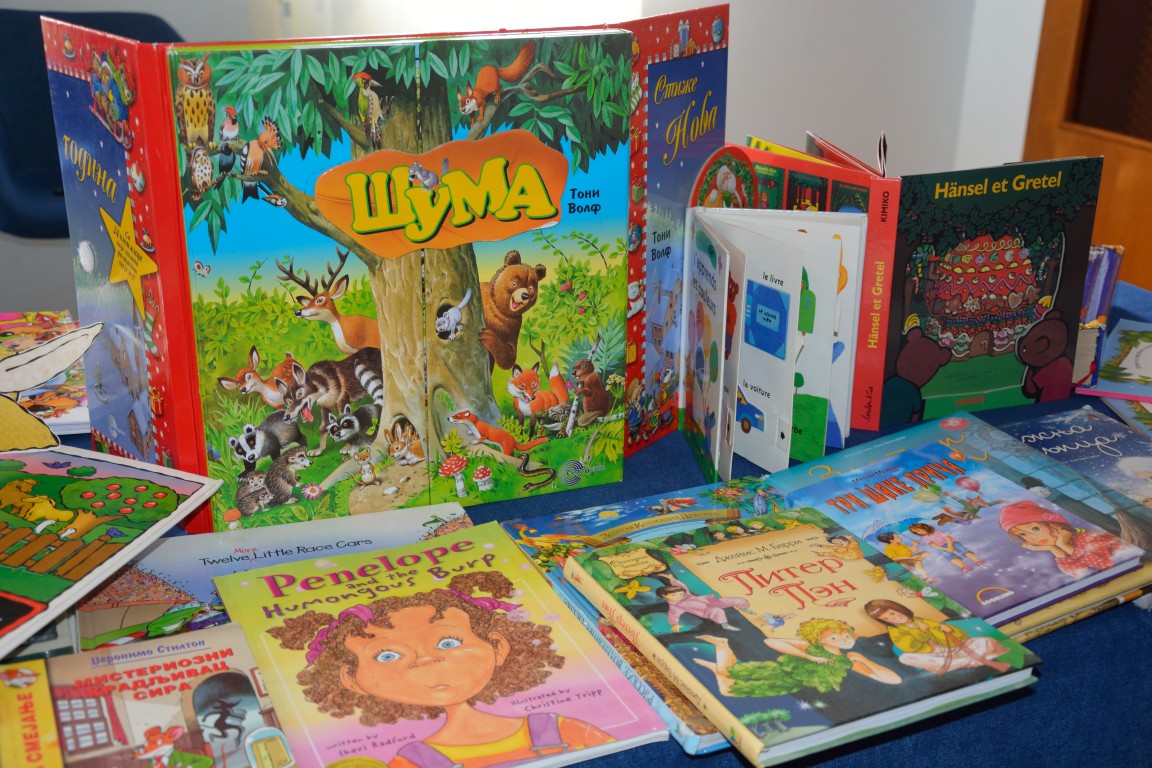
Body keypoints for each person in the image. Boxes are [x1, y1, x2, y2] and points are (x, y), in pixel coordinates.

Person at [268, 571, 613, 768]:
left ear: (497, 647)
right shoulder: (413, 761)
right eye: (386, 656)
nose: (425, 660)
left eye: (447, 642)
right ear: (351, 679)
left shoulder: (557, 729)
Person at [693, 617, 901, 697]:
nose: (843, 639)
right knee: (730, 689)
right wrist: (807, 656)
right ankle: (721, 648)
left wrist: (863, 660)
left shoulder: (848, 660)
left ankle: (720, 654)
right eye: (834, 637)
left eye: (845, 635)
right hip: (782, 674)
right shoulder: (811, 647)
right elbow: (771, 642)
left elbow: (894, 680)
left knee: (729, 686)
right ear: (820, 640)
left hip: (795, 683)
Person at [864, 599, 1012, 676]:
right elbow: (909, 647)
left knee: (986, 641)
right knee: (905, 658)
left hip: (951, 648)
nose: (894, 618)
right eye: (887, 618)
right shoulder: (896, 631)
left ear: (899, 608)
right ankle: (964, 661)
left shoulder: (920, 620)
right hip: (933, 655)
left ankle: (965, 660)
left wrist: (949, 629)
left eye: (892, 613)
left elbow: (959, 635)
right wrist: (920, 632)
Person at [998, 499, 1132, 577]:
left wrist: (1064, 546)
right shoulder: (1063, 545)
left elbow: (1107, 565)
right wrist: (1056, 550)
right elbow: (1078, 573)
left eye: (1035, 529)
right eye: (1023, 534)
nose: (1033, 537)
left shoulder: (1087, 537)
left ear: (1054, 524)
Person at [655, 572, 753, 632]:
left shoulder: (686, 594)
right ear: (664, 596)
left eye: (680, 594)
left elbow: (683, 587)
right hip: (706, 611)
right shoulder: (676, 606)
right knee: (717, 611)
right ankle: (725, 625)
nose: (679, 596)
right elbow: (673, 615)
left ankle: (743, 607)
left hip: (710, 601)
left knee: (738, 600)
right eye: (674, 595)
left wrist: (673, 580)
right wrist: (674, 624)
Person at [907, 522, 986, 572]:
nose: (918, 532)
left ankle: (977, 561)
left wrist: (950, 546)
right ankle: (964, 567)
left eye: (918, 530)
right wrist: (945, 549)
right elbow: (933, 545)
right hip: (942, 547)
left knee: (962, 550)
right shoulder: (925, 538)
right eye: (916, 532)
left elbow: (948, 538)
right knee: (949, 556)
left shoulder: (937, 532)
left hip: (952, 542)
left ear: (924, 527)